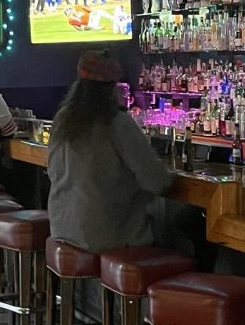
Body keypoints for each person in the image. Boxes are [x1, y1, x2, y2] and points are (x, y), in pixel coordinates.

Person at [47, 50, 172, 252]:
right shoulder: (116, 122)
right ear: (112, 87)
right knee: (179, 235)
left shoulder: (62, 118)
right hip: (106, 235)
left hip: (62, 227)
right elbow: (157, 181)